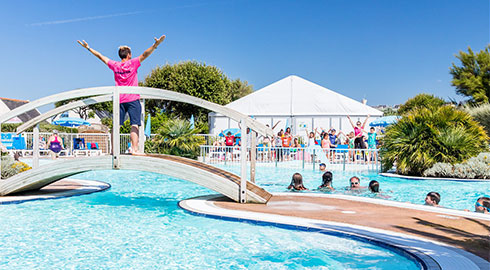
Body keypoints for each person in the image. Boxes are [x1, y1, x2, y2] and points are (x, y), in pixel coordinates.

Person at [77, 35, 166, 154]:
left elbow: (101, 57)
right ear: (129, 55)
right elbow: (145, 54)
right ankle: (134, 149)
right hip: (133, 98)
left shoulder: (115, 65)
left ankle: (114, 150)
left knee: (116, 125)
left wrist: (89, 48)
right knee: (134, 124)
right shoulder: (133, 63)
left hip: (119, 99)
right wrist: (155, 45)